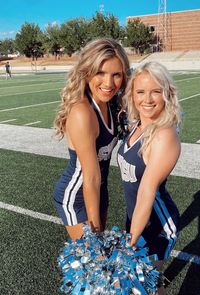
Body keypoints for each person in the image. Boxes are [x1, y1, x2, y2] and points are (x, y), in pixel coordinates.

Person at [53, 38, 130, 241]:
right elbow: (91, 177)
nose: (109, 83)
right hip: (77, 195)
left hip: (100, 190)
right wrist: (94, 234)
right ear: (86, 72)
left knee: (100, 260)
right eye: (100, 73)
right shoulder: (82, 113)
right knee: (91, 261)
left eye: (116, 75)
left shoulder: (112, 104)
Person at [117, 61, 181, 294]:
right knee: (146, 282)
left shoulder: (164, 134)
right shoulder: (136, 126)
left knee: (146, 284)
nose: (148, 99)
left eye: (156, 91)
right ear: (132, 95)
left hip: (157, 222)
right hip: (136, 217)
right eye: (141, 92)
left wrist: (129, 244)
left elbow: (146, 191)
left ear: (166, 94)